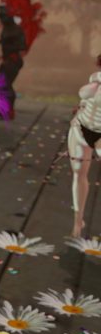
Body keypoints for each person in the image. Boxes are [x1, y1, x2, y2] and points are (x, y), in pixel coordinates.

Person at [68, 53, 101, 237]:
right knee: (79, 174)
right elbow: (85, 98)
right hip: (81, 129)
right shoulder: (94, 79)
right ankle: (77, 222)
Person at [0, 5, 27, 117]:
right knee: (1, 84)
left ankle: (9, 110)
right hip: (7, 60)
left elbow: (22, 46)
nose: (1, 19)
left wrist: (10, 44)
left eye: (3, 16)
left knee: (7, 84)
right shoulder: (6, 29)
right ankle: (3, 108)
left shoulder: (16, 29)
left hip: (13, 60)